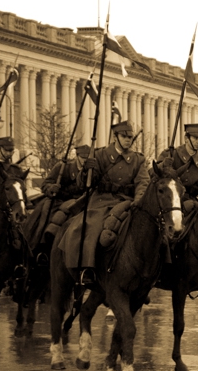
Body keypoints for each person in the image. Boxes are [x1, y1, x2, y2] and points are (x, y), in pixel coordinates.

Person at [60, 121, 149, 285]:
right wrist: (87, 170)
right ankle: (87, 268)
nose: (128, 140)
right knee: (91, 227)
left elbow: (143, 183)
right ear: (115, 137)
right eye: (124, 136)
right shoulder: (100, 156)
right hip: (102, 200)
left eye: (130, 137)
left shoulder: (138, 160)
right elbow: (84, 184)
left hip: (127, 201)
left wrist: (138, 203)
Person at [24, 144, 91, 258]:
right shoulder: (63, 167)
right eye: (83, 158)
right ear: (77, 156)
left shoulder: (91, 171)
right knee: (47, 218)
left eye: (87, 158)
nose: (85, 161)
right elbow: (45, 184)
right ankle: (40, 247)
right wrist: (52, 188)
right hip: (60, 200)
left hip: (83, 201)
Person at [156, 123, 198, 212]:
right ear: (186, 139)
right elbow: (152, 174)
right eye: (195, 138)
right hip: (169, 205)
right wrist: (163, 164)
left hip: (193, 206)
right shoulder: (170, 154)